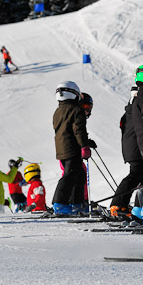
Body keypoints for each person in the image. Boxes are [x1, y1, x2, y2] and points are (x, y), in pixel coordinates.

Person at [110, 64, 143, 220]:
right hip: (139, 147)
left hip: (136, 146)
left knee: (142, 177)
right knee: (138, 175)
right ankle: (119, 205)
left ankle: (134, 208)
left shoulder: (138, 101)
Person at [52, 81, 92, 215]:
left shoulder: (58, 111)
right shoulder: (76, 110)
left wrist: (86, 141)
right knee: (70, 176)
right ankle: (60, 203)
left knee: (79, 174)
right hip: (72, 148)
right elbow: (78, 130)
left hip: (61, 148)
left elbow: (66, 130)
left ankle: (76, 203)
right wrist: (84, 146)